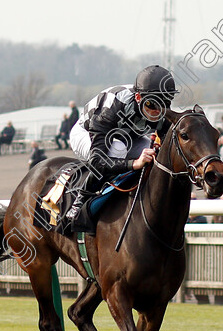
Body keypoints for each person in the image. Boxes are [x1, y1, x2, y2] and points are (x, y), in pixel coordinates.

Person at [66, 65, 176, 220]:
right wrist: (135, 164)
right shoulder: (113, 105)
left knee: (157, 155)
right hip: (86, 134)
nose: (158, 111)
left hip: (129, 138)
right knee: (118, 148)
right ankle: (81, 198)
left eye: (164, 102)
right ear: (138, 98)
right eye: (152, 104)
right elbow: (97, 161)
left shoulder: (161, 111)